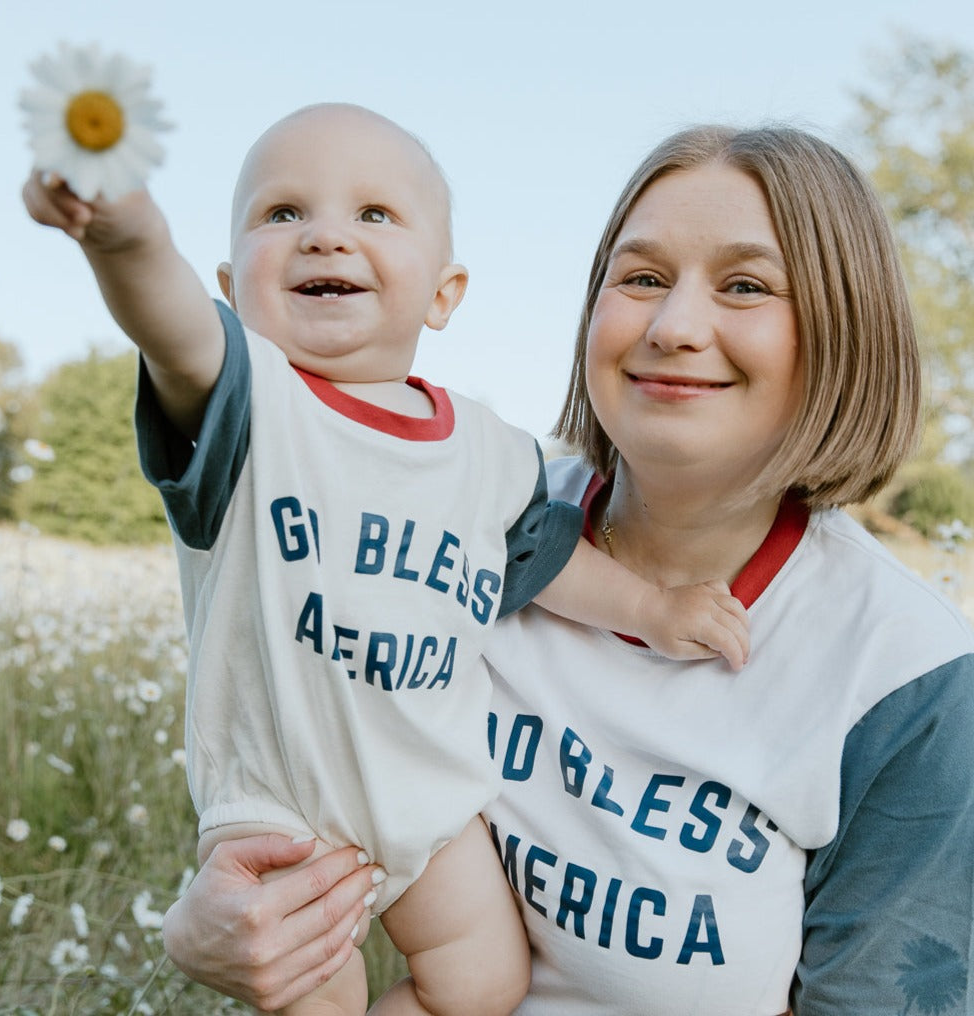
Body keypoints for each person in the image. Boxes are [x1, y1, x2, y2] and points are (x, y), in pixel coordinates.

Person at [160, 123, 974, 1016]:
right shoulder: (457, 519)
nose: (673, 327)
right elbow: (276, 729)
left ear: (843, 331)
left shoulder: (907, 675)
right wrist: (204, 929)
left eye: (745, 286)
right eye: (642, 278)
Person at [22, 104, 751, 1016]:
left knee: (483, 984)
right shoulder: (248, 406)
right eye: (282, 212)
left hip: (432, 797)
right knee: (311, 995)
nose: (325, 235)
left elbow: (541, 558)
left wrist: (655, 610)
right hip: (283, 821)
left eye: (374, 214)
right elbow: (169, 325)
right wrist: (124, 236)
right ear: (231, 290)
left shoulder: (487, 452)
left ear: (444, 294)